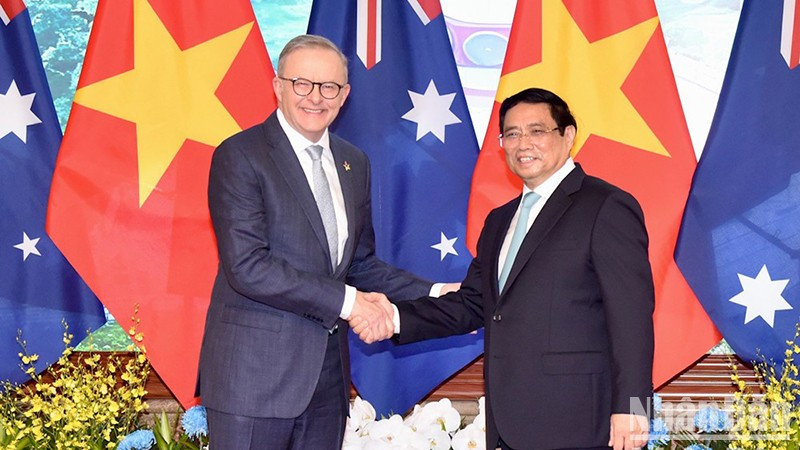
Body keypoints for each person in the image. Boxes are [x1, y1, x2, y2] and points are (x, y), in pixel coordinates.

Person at [353, 88, 655, 450]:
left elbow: (633, 317)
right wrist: (394, 318)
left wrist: (635, 409)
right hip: (509, 422)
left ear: (569, 135)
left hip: (581, 421)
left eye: (537, 131)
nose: (523, 143)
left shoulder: (607, 206)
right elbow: (473, 305)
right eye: (511, 133)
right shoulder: (499, 221)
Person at [197, 34, 452, 449]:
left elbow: (360, 264)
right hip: (253, 380)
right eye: (302, 83)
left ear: (345, 94)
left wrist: (438, 293)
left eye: (329, 87)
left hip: (327, 383)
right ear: (278, 86)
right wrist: (351, 304)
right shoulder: (240, 155)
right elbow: (248, 267)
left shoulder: (354, 163)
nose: (316, 97)